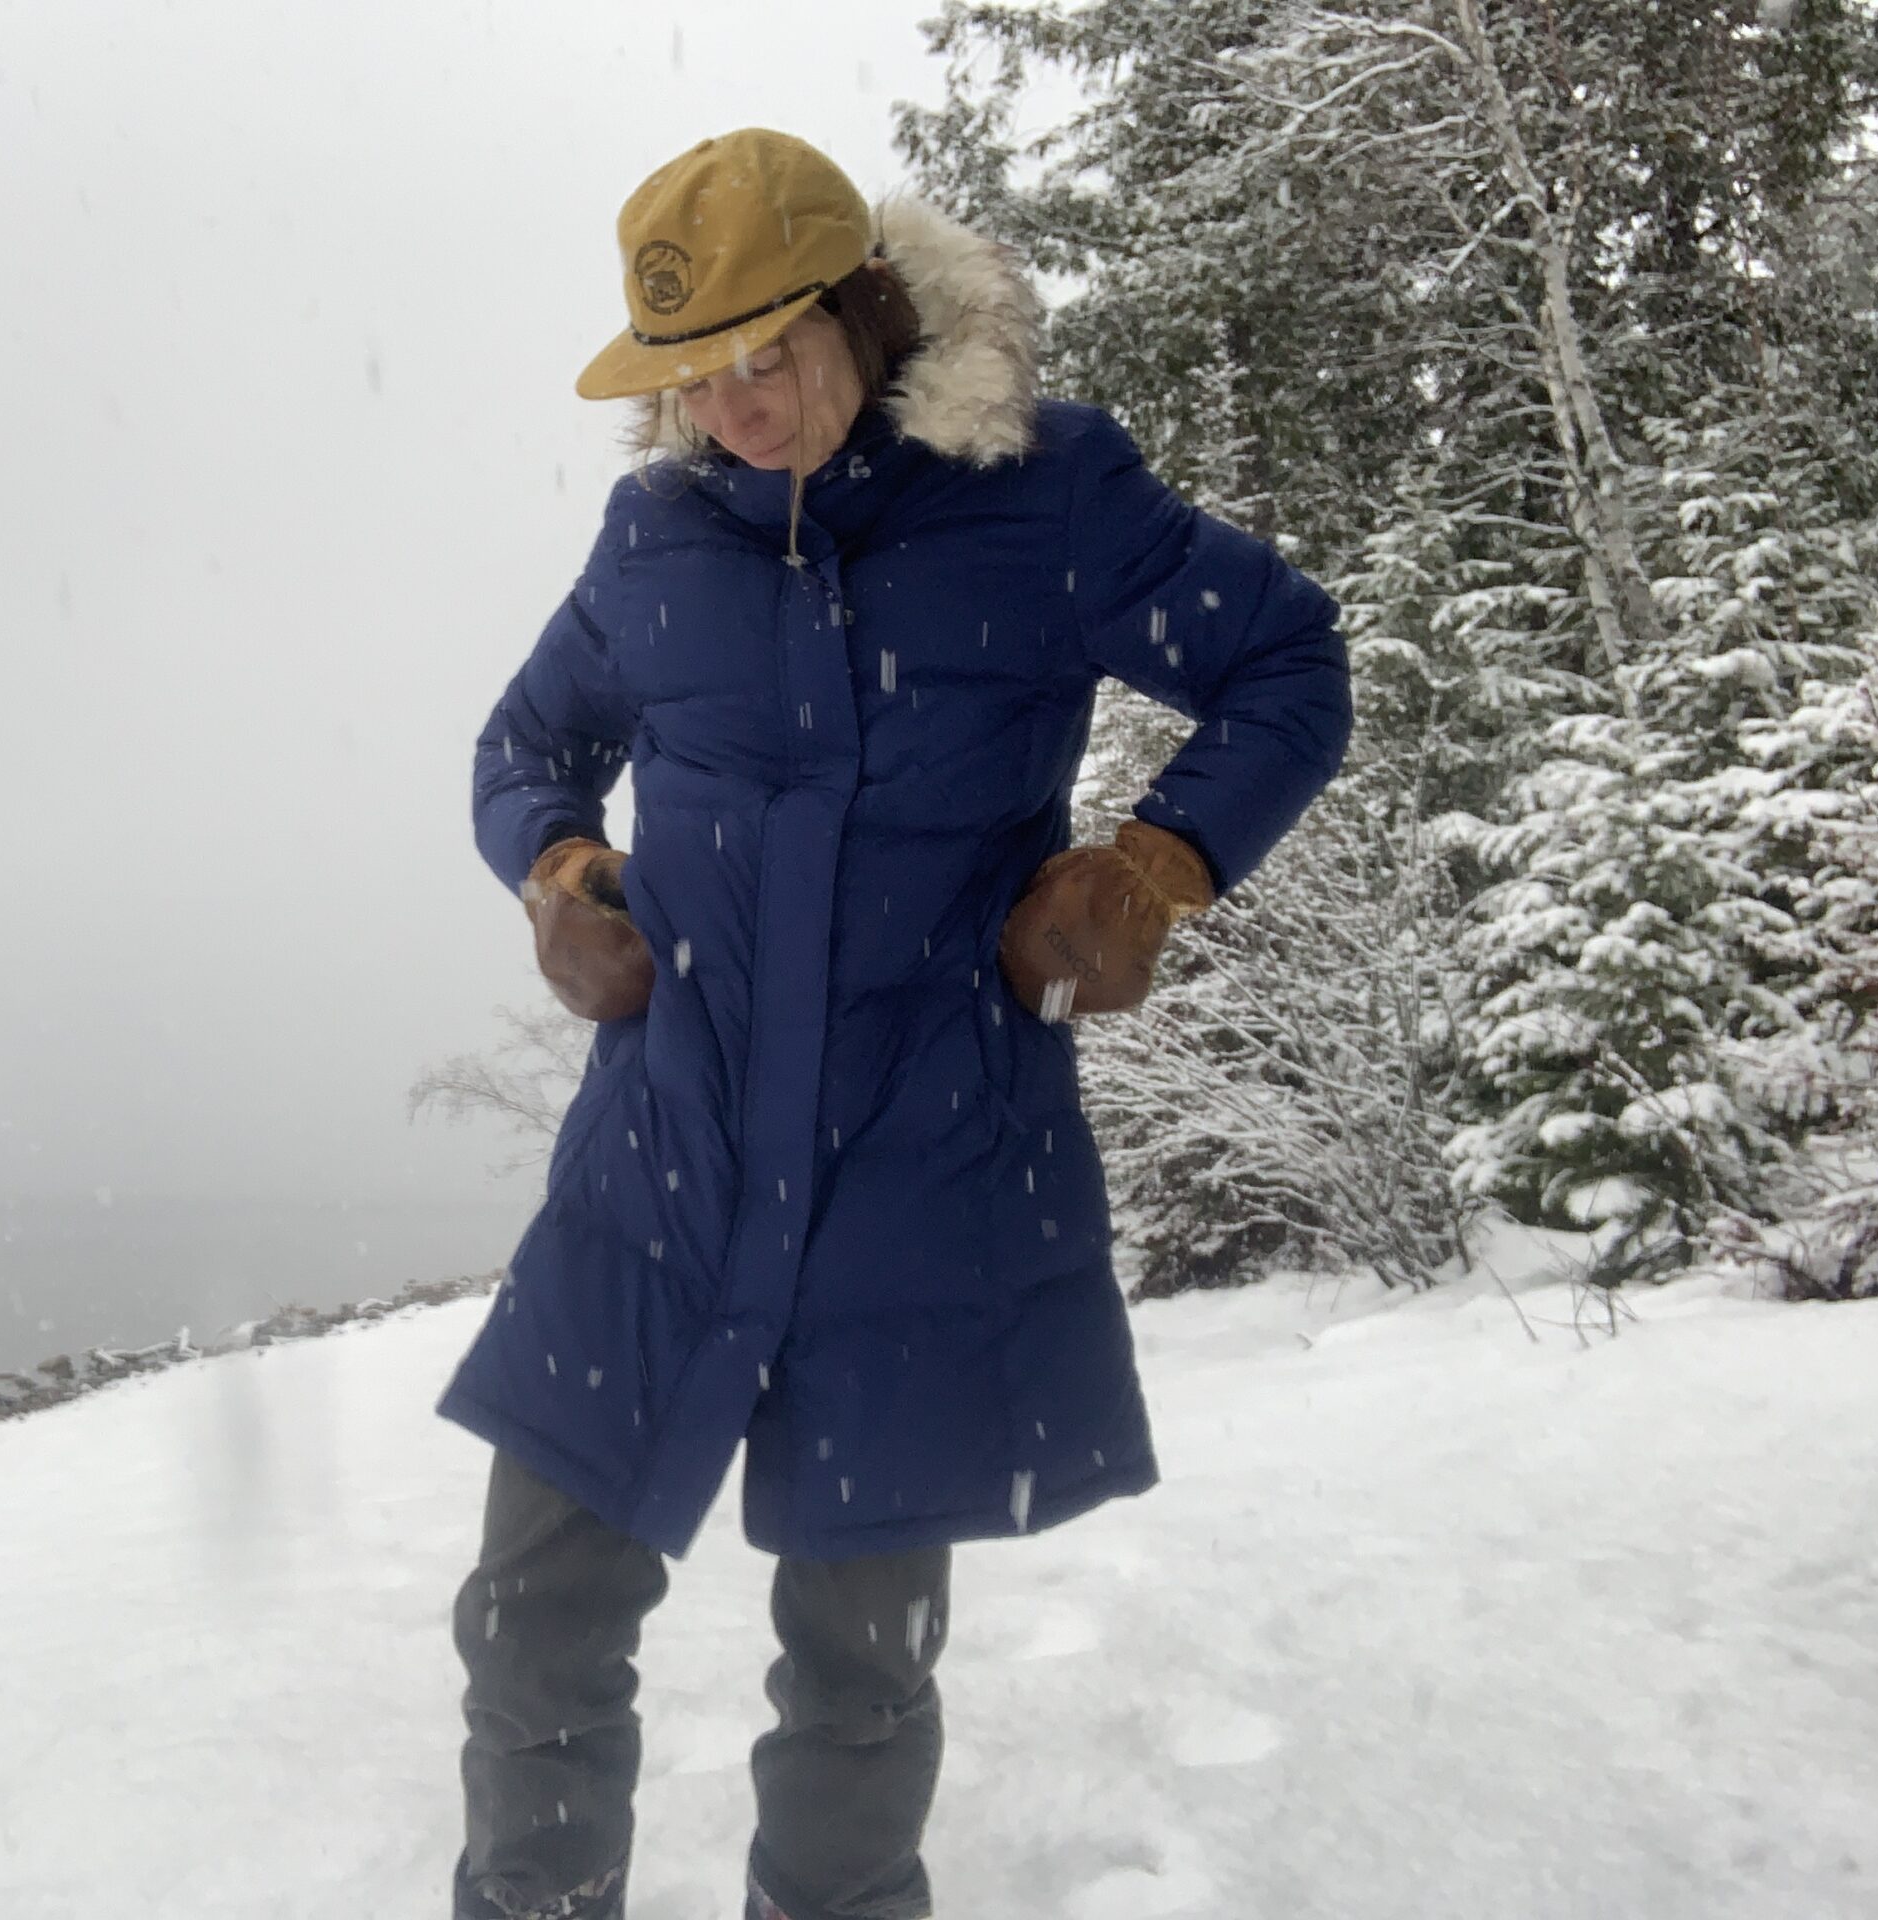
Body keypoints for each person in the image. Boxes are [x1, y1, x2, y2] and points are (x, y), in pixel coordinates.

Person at [438, 129, 1351, 1920]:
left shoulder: (1044, 492)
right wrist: (560, 872)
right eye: (690, 374)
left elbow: (1289, 661)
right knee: (534, 1625)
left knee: (859, 1679)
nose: (734, 405)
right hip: (666, 1164)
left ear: (862, 303)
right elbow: (523, 746)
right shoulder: (656, 538)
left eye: (765, 352)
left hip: (921, 1168)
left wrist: (1156, 865)